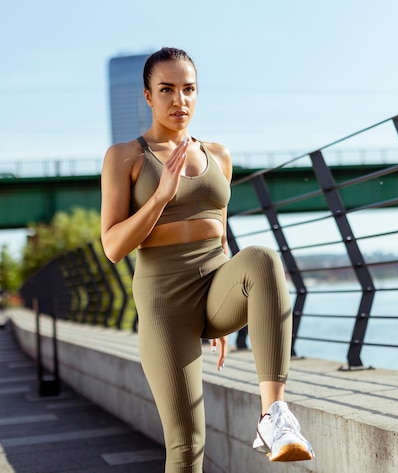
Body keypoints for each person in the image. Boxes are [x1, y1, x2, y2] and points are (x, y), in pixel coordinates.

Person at [100, 47, 314, 472]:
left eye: (188, 89)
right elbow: (113, 246)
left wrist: (234, 301)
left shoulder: (219, 154)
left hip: (214, 282)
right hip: (164, 300)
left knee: (263, 259)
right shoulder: (125, 156)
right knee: (186, 445)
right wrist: (161, 195)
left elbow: (220, 232)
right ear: (147, 96)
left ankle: (274, 417)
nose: (179, 101)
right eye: (166, 90)